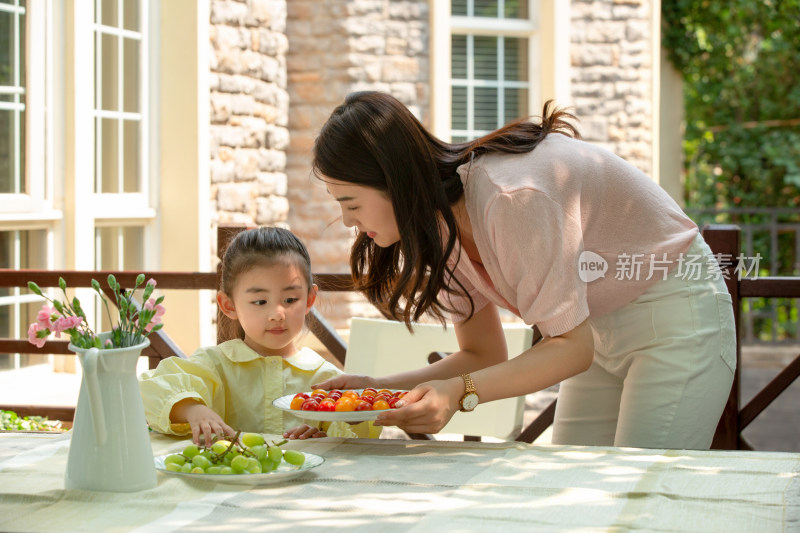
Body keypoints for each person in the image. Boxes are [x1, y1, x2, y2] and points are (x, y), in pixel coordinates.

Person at [311, 91, 736, 449]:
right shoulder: (438, 232)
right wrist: (379, 391)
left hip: (678, 315)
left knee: (639, 501)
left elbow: (570, 346)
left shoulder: (510, 197)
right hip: (594, 332)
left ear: (394, 181)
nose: (348, 221)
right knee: (574, 496)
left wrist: (460, 393)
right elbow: (483, 353)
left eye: (350, 202)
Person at [139, 226, 379, 445]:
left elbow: (357, 442)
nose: (277, 314)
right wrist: (192, 409)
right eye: (260, 301)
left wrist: (323, 440)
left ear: (309, 299)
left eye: (290, 300)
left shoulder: (326, 380)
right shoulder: (213, 365)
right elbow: (154, 389)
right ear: (228, 305)